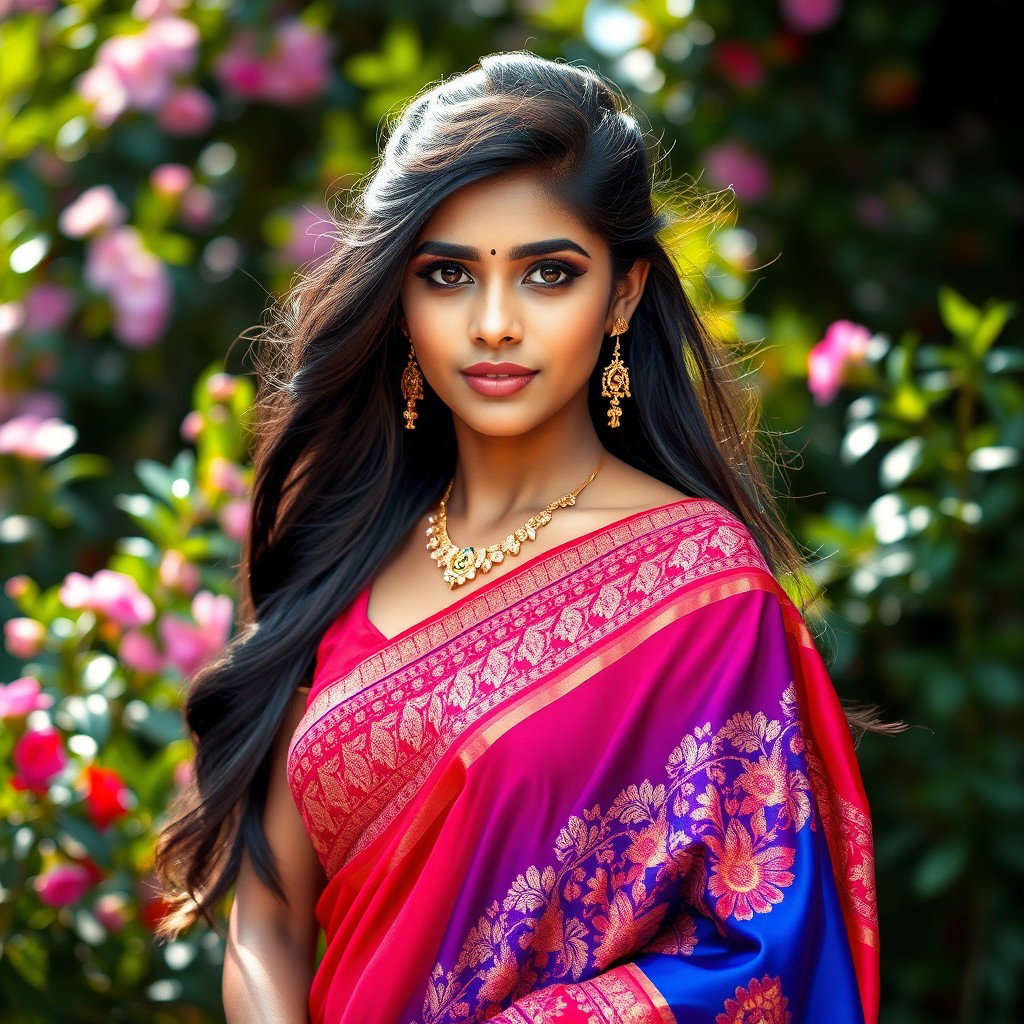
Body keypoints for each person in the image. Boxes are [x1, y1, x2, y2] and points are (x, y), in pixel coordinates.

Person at [153, 51, 897, 1024]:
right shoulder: (348, 554)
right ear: (400, 298)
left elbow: (764, 948)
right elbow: (270, 923)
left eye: (549, 274)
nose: (494, 323)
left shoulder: (702, 593)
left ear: (622, 294)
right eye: (448, 274)